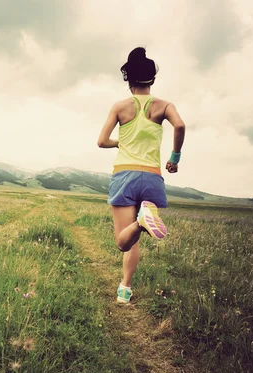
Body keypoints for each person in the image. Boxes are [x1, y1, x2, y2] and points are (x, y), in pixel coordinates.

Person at [97, 47, 185, 304]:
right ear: (152, 79)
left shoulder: (120, 107)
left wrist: (120, 143)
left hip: (125, 175)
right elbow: (179, 125)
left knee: (124, 242)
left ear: (129, 79)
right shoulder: (164, 105)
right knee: (135, 240)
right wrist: (175, 157)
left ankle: (141, 223)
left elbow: (101, 141)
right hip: (152, 178)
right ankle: (125, 287)